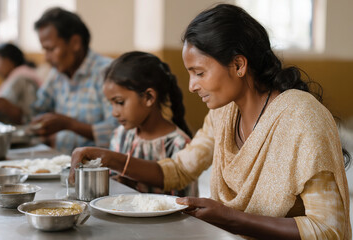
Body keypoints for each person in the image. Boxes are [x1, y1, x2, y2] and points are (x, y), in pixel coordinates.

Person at [70, 4, 351, 239]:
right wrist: (108, 158)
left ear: (239, 65)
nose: (192, 86)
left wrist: (232, 219)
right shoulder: (224, 113)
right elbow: (179, 170)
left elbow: (328, 229)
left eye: (199, 73)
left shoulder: (301, 116)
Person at [87, 51, 196, 196]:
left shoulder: (180, 144)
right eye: (111, 104)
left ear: (148, 97)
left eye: (120, 102)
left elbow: (184, 202)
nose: (114, 112)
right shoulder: (121, 135)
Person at [28, 7, 117, 154]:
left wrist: (69, 124)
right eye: (45, 50)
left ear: (75, 43)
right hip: (62, 163)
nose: (47, 58)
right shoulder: (57, 74)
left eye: (51, 49)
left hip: (96, 170)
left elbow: (119, 131)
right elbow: (37, 108)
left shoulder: (107, 72)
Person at [0, 43, 41, 124]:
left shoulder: (23, 78)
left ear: (7, 60)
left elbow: (31, 116)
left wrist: (6, 107)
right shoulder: (18, 75)